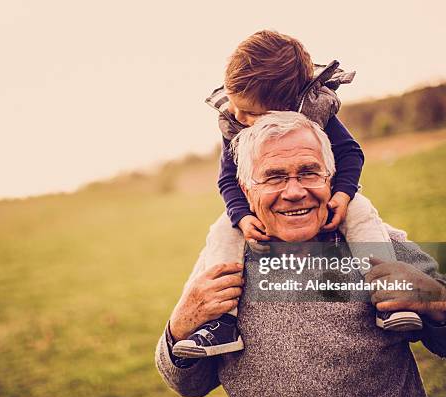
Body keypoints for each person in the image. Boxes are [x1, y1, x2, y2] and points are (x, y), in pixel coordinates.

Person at [156, 112, 446, 397]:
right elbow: (188, 385)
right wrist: (179, 327)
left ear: (331, 179)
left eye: (309, 172)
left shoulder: (376, 246)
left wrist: (438, 301)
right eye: (274, 177)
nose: (294, 191)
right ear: (244, 190)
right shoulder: (222, 264)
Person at [173, 30, 417, 359]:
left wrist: (343, 195)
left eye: (251, 113)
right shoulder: (235, 121)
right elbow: (227, 179)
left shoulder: (318, 112)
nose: (240, 117)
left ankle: (389, 295)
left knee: (362, 214)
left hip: (332, 195)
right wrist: (242, 217)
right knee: (222, 232)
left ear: (290, 107)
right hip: (250, 208)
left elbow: (350, 154)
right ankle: (220, 325)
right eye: (236, 106)